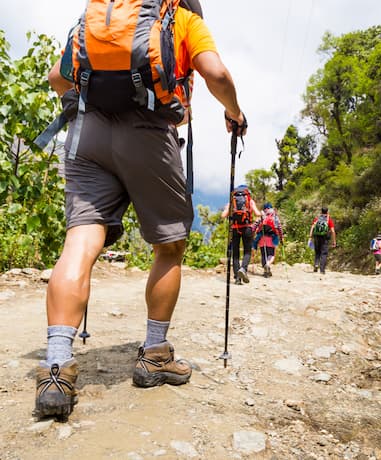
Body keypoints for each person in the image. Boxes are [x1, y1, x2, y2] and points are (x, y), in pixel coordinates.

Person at [35, 2, 247, 419]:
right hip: (149, 134)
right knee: (169, 245)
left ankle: (56, 367)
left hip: (87, 134)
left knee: (81, 239)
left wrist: (90, 108)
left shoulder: (97, 17)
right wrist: (234, 112)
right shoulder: (181, 19)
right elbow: (216, 74)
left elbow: (59, 77)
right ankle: (154, 355)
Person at [221, 185, 261, 285]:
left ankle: (237, 278)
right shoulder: (250, 200)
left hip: (234, 228)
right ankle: (243, 269)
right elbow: (257, 213)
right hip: (247, 228)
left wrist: (229, 211)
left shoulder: (232, 201)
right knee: (247, 251)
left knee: (235, 253)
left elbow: (223, 215)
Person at [252, 202, 284, 278]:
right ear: (271, 208)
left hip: (261, 238)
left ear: (264, 209)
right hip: (272, 237)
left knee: (263, 254)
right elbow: (279, 227)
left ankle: (265, 271)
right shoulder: (275, 216)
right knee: (271, 254)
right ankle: (268, 264)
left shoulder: (261, 215)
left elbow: (255, 225)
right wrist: (281, 237)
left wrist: (252, 234)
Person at [308, 207, 336, 274]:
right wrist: (334, 241)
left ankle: (316, 264)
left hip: (316, 237)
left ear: (321, 211)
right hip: (324, 238)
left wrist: (310, 236)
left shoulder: (317, 218)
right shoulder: (328, 219)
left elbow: (312, 227)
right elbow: (332, 231)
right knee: (324, 253)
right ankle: (322, 270)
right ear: (327, 212)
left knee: (317, 251)